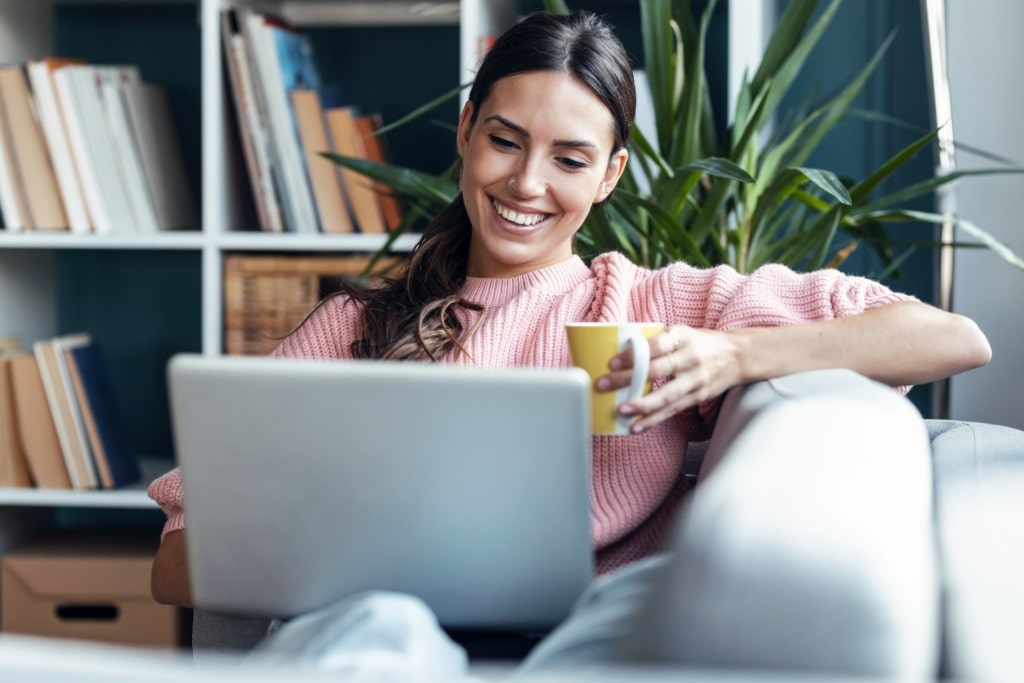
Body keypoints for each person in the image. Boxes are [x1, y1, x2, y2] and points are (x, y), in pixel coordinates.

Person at [148, 9, 991, 678]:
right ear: (466, 131)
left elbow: (950, 337)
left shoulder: (653, 302)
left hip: (579, 633)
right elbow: (176, 563)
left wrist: (733, 355)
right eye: (505, 141)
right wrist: (321, 549)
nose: (526, 184)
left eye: (570, 158)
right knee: (387, 625)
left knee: (633, 612)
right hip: (384, 618)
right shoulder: (354, 328)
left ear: (612, 174)